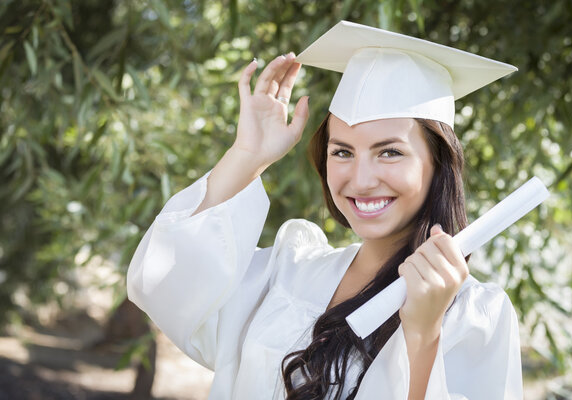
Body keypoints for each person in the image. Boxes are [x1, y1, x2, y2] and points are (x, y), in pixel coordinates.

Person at [127, 21, 523, 399]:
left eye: (390, 152)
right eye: (342, 152)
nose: (362, 179)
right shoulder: (289, 271)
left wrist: (424, 333)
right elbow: (164, 285)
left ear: (438, 164)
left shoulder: (475, 315)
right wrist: (247, 155)